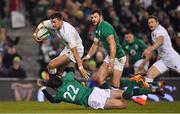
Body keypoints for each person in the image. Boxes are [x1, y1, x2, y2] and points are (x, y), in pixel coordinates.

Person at [37, 72, 163, 109]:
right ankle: (153, 90)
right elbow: (70, 69)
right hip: (95, 92)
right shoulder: (68, 79)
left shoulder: (59, 94)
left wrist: (43, 87)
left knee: (124, 103)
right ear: (60, 79)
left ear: (54, 87)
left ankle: (134, 81)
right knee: (123, 94)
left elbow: (53, 100)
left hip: (92, 100)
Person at [136, 15, 180, 105]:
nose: (150, 24)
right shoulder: (153, 32)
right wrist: (158, 56)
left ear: (157, 23)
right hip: (164, 59)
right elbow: (159, 46)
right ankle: (143, 99)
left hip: (172, 58)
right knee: (149, 74)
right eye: (149, 22)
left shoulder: (159, 30)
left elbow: (160, 41)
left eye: (152, 22)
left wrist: (149, 49)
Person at [33, 12, 89, 80]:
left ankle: (52, 83)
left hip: (76, 50)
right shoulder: (53, 23)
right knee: (59, 72)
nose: (53, 24)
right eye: (52, 22)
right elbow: (42, 24)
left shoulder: (68, 32)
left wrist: (81, 68)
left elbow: (75, 52)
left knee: (51, 65)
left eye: (54, 22)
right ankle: (75, 82)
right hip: (68, 48)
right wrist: (35, 34)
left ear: (61, 21)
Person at [83, 9, 126, 89]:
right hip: (110, 56)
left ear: (101, 17)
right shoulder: (96, 29)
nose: (93, 19)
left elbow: (113, 46)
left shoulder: (105, 27)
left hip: (119, 57)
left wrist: (111, 62)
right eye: (92, 17)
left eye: (95, 17)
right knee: (100, 78)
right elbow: (95, 44)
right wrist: (88, 56)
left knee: (115, 85)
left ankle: (122, 97)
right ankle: (108, 97)